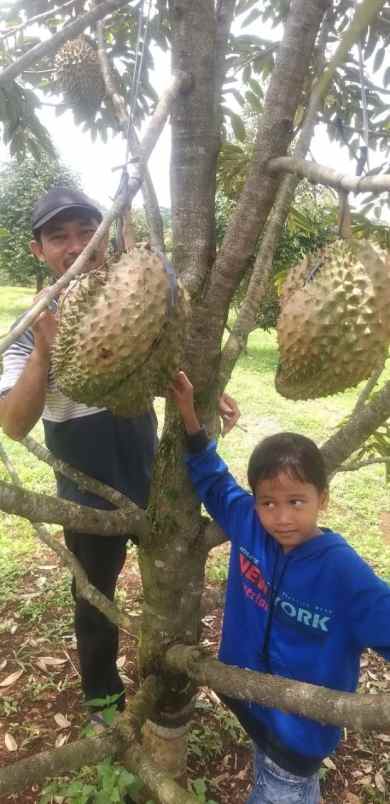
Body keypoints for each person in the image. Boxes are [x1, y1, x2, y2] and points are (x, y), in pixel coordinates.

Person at [0, 187, 240, 721]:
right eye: (59, 236)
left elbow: (154, 370)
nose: (76, 245)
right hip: (87, 493)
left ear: (104, 236)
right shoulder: (27, 328)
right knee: (94, 597)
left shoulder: (136, 293)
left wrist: (203, 392)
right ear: (38, 249)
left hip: (152, 474)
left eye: (87, 231)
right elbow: (14, 423)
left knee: (172, 578)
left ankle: (170, 680)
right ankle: (103, 695)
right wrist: (44, 347)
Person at [172, 370, 390, 804]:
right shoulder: (250, 525)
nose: (282, 517)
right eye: (268, 502)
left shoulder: (343, 573)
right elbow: (216, 484)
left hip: (300, 732)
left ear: (321, 500)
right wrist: (192, 424)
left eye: (296, 502)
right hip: (248, 699)